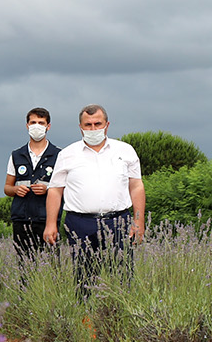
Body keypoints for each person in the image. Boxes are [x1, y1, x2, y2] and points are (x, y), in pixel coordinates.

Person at [44, 104, 144, 298]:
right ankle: (86, 322)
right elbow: (55, 190)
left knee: (123, 274)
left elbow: (136, 186)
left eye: (97, 124)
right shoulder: (67, 154)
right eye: (87, 125)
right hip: (80, 222)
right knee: (84, 276)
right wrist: (50, 224)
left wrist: (138, 221)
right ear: (80, 127)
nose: (93, 129)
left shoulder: (125, 150)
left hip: (118, 221)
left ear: (107, 125)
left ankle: (118, 321)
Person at [5, 107, 61, 287]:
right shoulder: (16, 155)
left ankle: (53, 302)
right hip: (21, 218)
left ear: (48, 126)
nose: (37, 126)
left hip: (47, 219)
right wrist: (15, 190)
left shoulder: (59, 155)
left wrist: (48, 189)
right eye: (33, 122)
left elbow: (65, 188)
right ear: (27, 125)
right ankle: (25, 303)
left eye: (41, 123)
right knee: (25, 267)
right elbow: (7, 187)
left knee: (53, 267)